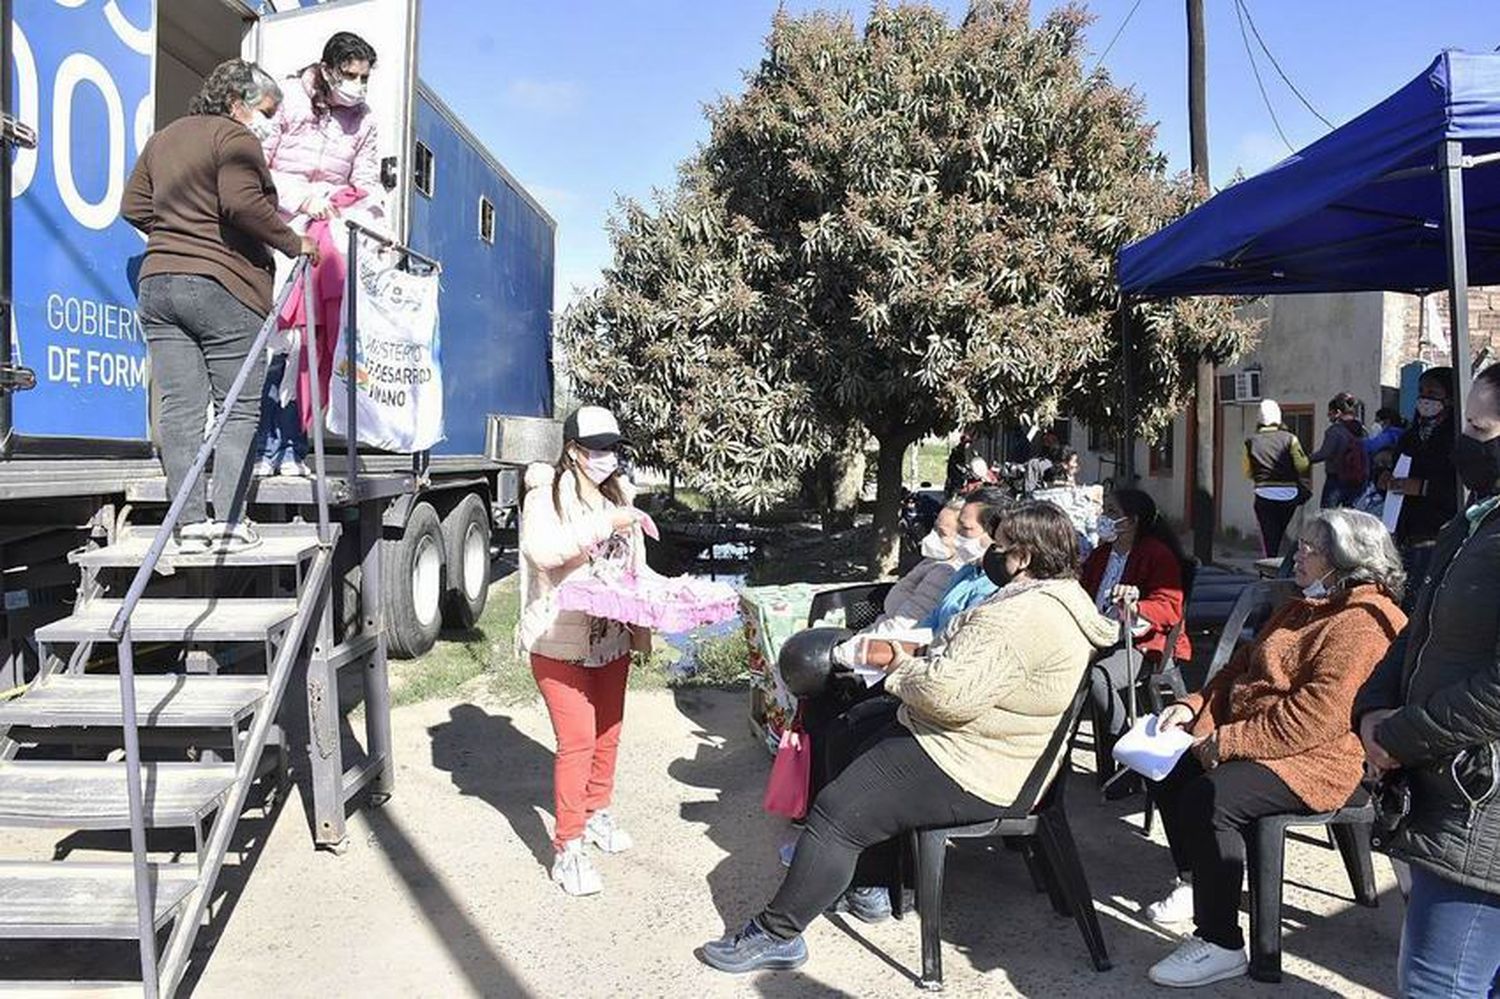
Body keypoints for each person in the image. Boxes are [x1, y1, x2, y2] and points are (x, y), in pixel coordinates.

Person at [700, 503, 1119, 974]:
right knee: (855, 733)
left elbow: (946, 696)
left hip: (974, 764)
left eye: (998, 548)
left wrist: (899, 667)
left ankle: (778, 934)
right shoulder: (1063, 598)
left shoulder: (1020, 616)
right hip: (991, 747)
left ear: (1021, 557)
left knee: (837, 811)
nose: (991, 556)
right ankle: (868, 882)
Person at [1143, 509, 1406, 988]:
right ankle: (1196, 880)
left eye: (1312, 549)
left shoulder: (1364, 622)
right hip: (1265, 736)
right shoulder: (1305, 604)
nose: (1299, 555)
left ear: (1346, 561)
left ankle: (1220, 941)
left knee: (1212, 798)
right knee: (1166, 763)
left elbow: (1317, 718)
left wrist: (1225, 742)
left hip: (1321, 760)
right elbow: (1240, 667)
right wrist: (1194, 706)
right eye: (1301, 545)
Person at [122, 60, 316, 554]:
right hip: (225, 286)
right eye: (266, 111)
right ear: (237, 105)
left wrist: (177, 234)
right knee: (237, 407)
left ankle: (187, 525)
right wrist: (296, 244)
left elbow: (134, 207)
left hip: (159, 284)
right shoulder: (236, 139)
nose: (270, 122)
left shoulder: (163, 138)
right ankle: (228, 521)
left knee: (180, 408)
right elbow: (242, 205)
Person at [1354, 362, 1500, 998]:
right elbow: (1419, 630)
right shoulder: (1473, 524)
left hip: (1480, 805)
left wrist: (1404, 736)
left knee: (1440, 984)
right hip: (1448, 784)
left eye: (1478, 426)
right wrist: (1373, 706)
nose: (1464, 441)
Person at [518, 405, 649, 897]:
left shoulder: (621, 492)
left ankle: (597, 812)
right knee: (577, 742)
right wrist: (603, 524)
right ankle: (567, 848)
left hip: (610, 638)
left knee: (608, 733)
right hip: (559, 641)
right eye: (596, 448)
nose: (605, 457)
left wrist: (642, 629)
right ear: (573, 449)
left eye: (612, 447)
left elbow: (635, 567)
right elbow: (544, 552)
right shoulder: (546, 493)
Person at [254, 31, 384, 478]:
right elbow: (258, 163)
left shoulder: (364, 121)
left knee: (312, 339)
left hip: (328, 230)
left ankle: (293, 444)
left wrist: (365, 218)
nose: (358, 87)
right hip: (281, 223)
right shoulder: (287, 97)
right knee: (278, 338)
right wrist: (302, 196)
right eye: (350, 76)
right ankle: (263, 444)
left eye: (365, 78)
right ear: (327, 69)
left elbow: (368, 183)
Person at [1080, 489, 1191, 773]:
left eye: (1111, 513)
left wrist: (1136, 605)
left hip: (1143, 643)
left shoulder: (1156, 554)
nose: (1103, 518)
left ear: (1131, 522)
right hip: (1099, 634)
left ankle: (1126, 755)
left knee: (1099, 677)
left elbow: (1170, 609)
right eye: (1104, 511)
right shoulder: (1101, 553)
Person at [1384, 367, 1459, 604]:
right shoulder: (1410, 436)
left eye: (1433, 392)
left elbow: (1460, 487)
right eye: (1421, 392)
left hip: (1439, 534)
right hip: (1407, 531)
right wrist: (1385, 478)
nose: (1425, 398)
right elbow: (1398, 471)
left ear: (1450, 397)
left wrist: (1424, 487)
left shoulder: (1457, 438)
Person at [868, 496, 965, 634]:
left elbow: (904, 625)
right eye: (934, 528)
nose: (932, 537)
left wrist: (847, 647)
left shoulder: (944, 572)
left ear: (964, 539)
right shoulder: (936, 560)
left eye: (942, 533)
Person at [1242, 399, 1311, 558]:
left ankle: (1269, 568)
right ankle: (1280, 564)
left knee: (1268, 538)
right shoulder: (1290, 439)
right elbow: (1302, 466)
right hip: (1289, 495)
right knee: (1279, 533)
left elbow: (1247, 472)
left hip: (1263, 495)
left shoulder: (1250, 442)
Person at [1034, 448, 1105, 557]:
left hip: (1045, 552)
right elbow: (1092, 529)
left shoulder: (1035, 498)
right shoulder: (1081, 498)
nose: (1077, 465)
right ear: (1065, 465)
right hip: (1076, 550)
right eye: (1074, 461)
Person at [1309, 392, 1368, 509]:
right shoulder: (1362, 430)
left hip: (1336, 479)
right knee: (1352, 518)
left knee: (1327, 517)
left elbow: (1324, 453)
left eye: (1330, 413)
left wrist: (1305, 459)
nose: (1328, 415)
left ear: (1338, 413)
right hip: (1358, 480)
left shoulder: (1334, 431)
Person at [944, 432, 978, 496]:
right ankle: (956, 494)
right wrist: (963, 469)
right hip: (955, 471)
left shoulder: (969, 450)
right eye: (966, 442)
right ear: (962, 442)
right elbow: (956, 463)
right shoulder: (957, 450)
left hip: (960, 468)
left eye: (969, 442)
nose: (968, 444)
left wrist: (969, 467)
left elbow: (971, 459)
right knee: (958, 483)